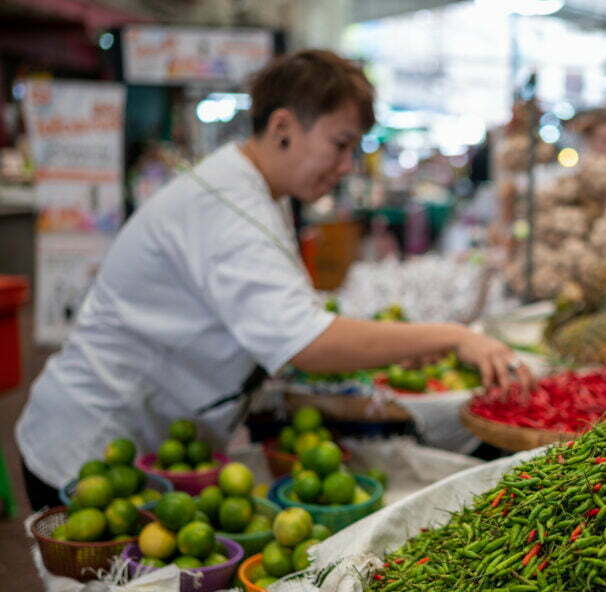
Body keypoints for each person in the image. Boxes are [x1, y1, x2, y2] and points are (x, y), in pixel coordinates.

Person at [16, 50, 531, 510]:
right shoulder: (230, 208)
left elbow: (289, 317)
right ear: (284, 127)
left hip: (148, 440)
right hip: (91, 446)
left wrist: (391, 347)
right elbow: (306, 341)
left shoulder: (259, 193)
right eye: (340, 144)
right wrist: (453, 336)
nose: (347, 166)